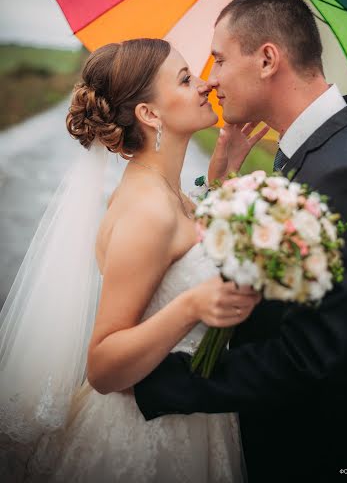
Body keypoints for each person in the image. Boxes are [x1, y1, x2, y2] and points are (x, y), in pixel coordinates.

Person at [134, 0, 347, 481]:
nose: (211, 80)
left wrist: (161, 384)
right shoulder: (323, 149)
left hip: (319, 456)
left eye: (219, 59)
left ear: (267, 59)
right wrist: (223, 184)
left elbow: (308, 353)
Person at [0, 38, 266, 482]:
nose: (205, 85)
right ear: (150, 113)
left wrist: (221, 176)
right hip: (147, 438)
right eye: (185, 79)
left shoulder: (166, 191)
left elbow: (180, 257)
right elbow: (103, 366)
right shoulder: (149, 211)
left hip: (184, 415)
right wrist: (192, 307)